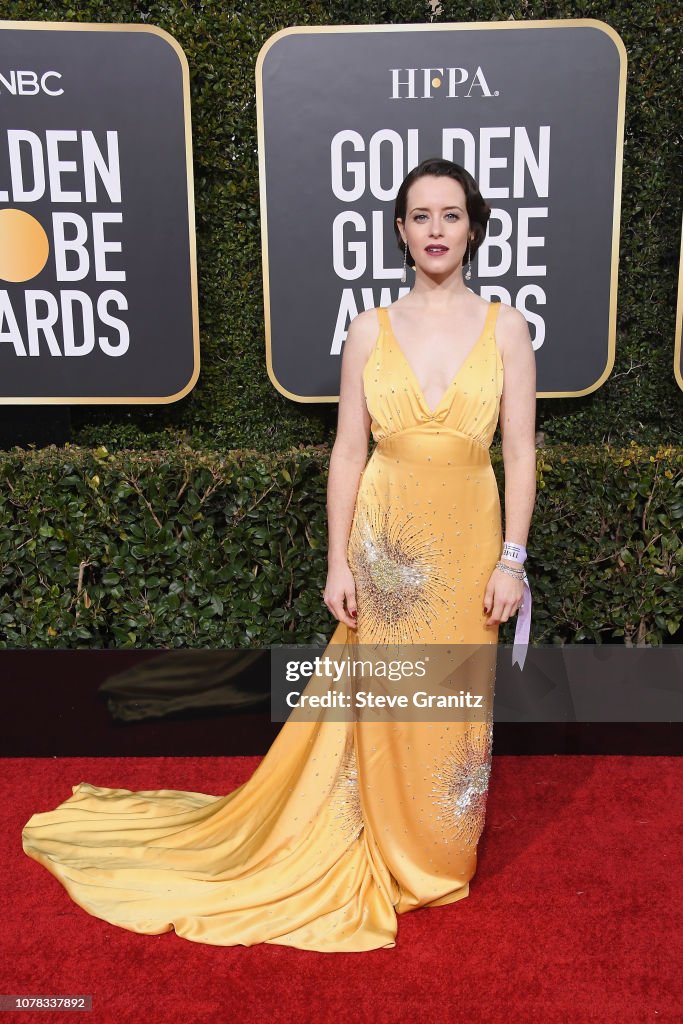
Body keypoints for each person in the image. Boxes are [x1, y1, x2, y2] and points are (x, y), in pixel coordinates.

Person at [21, 157, 537, 953]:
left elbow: (520, 452)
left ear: (474, 227)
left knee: (450, 706)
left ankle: (434, 850)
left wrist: (512, 559)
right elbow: (345, 453)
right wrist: (338, 560)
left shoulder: (507, 327)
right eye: (420, 216)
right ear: (399, 232)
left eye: (451, 215)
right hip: (388, 540)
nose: (436, 230)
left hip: (470, 539)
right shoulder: (371, 328)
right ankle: (373, 842)